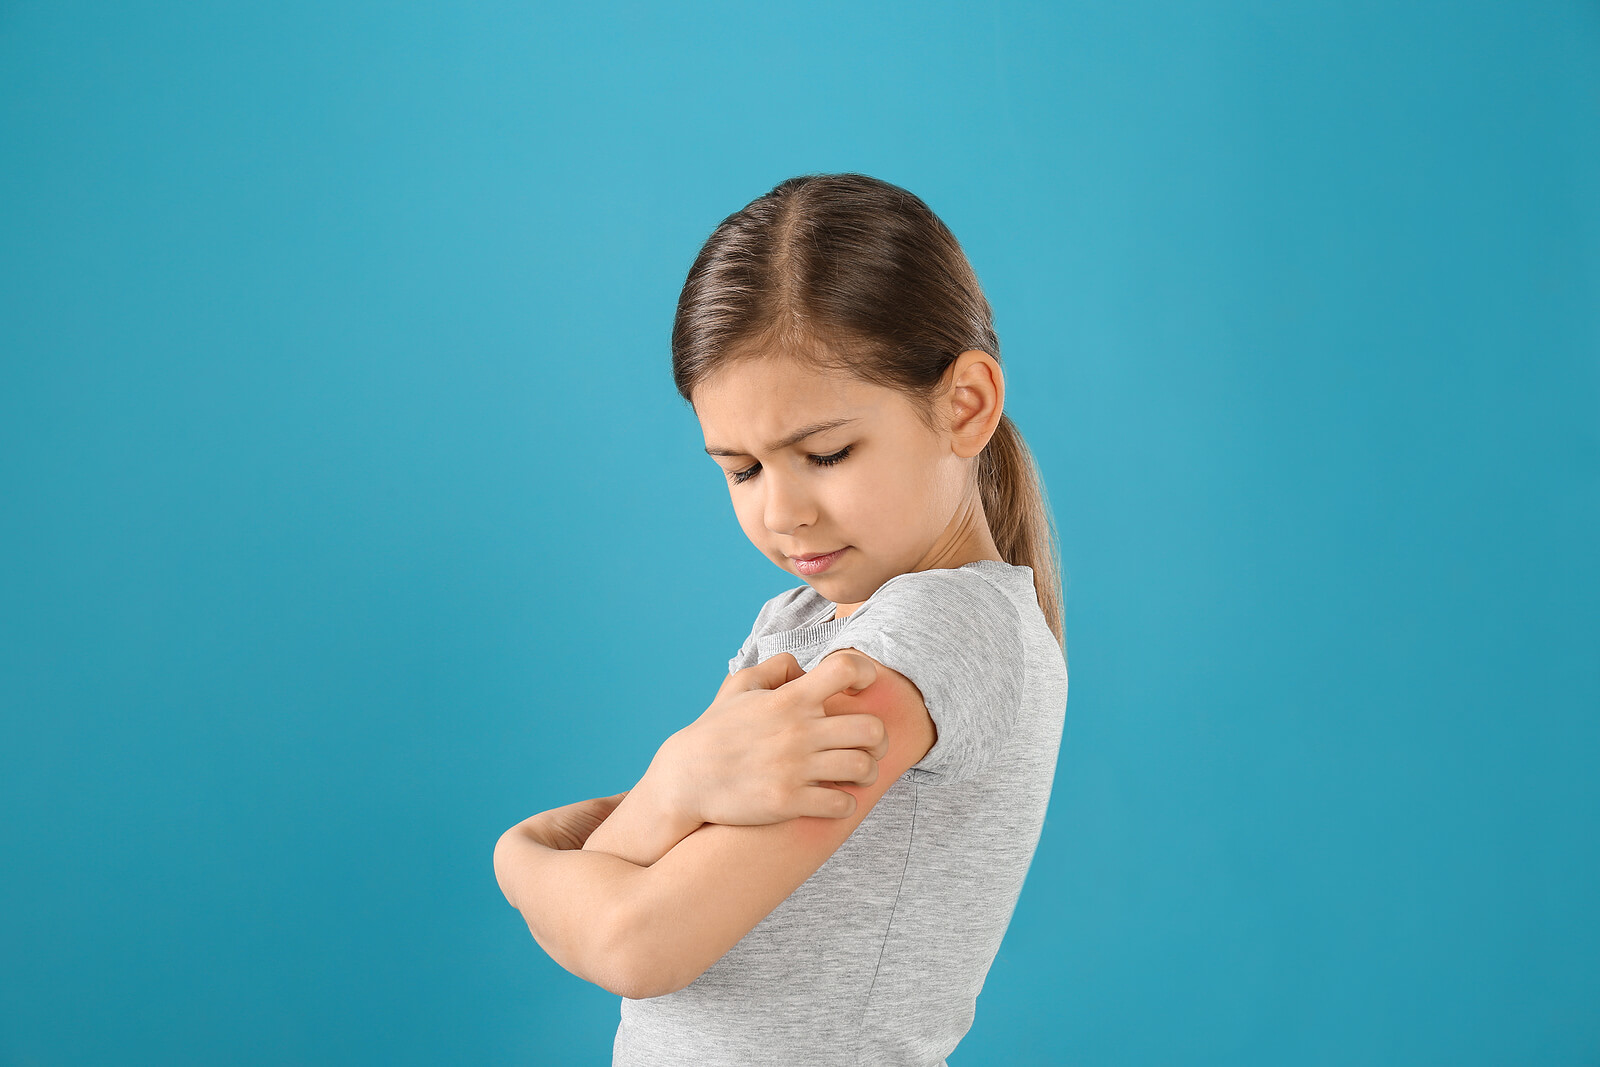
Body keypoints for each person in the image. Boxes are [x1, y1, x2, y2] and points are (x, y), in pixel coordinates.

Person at [493, 173, 1069, 1067]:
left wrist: (519, 857)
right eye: (742, 469)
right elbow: (629, 863)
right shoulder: (802, 623)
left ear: (966, 405)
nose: (783, 511)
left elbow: (633, 940)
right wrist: (677, 785)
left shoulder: (933, 636)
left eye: (826, 452)